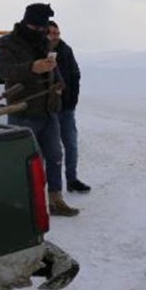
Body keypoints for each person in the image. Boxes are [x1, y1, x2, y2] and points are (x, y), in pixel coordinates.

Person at [0, 3, 79, 217]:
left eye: (44, 29)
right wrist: (32, 68)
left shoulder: (44, 41)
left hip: (48, 110)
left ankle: (55, 200)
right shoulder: (7, 43)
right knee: (26, 160)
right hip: (23, 111)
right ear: (28, 22)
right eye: (38, 28)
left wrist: (59, 83)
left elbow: (54, 68)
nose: (42, 32)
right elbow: (4, 70)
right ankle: (28, 204)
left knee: (55, 155)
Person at [47, 20, 91, 193]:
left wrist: (72, 99)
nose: (55, 36)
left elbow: (75, 74)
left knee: (71, 145)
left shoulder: (65, 50)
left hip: (66, 108)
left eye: (57, 33)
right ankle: (49, 186)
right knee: (52, 150)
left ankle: (72, 180)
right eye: (52, 33)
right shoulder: (39, 51)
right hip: (48, 110)